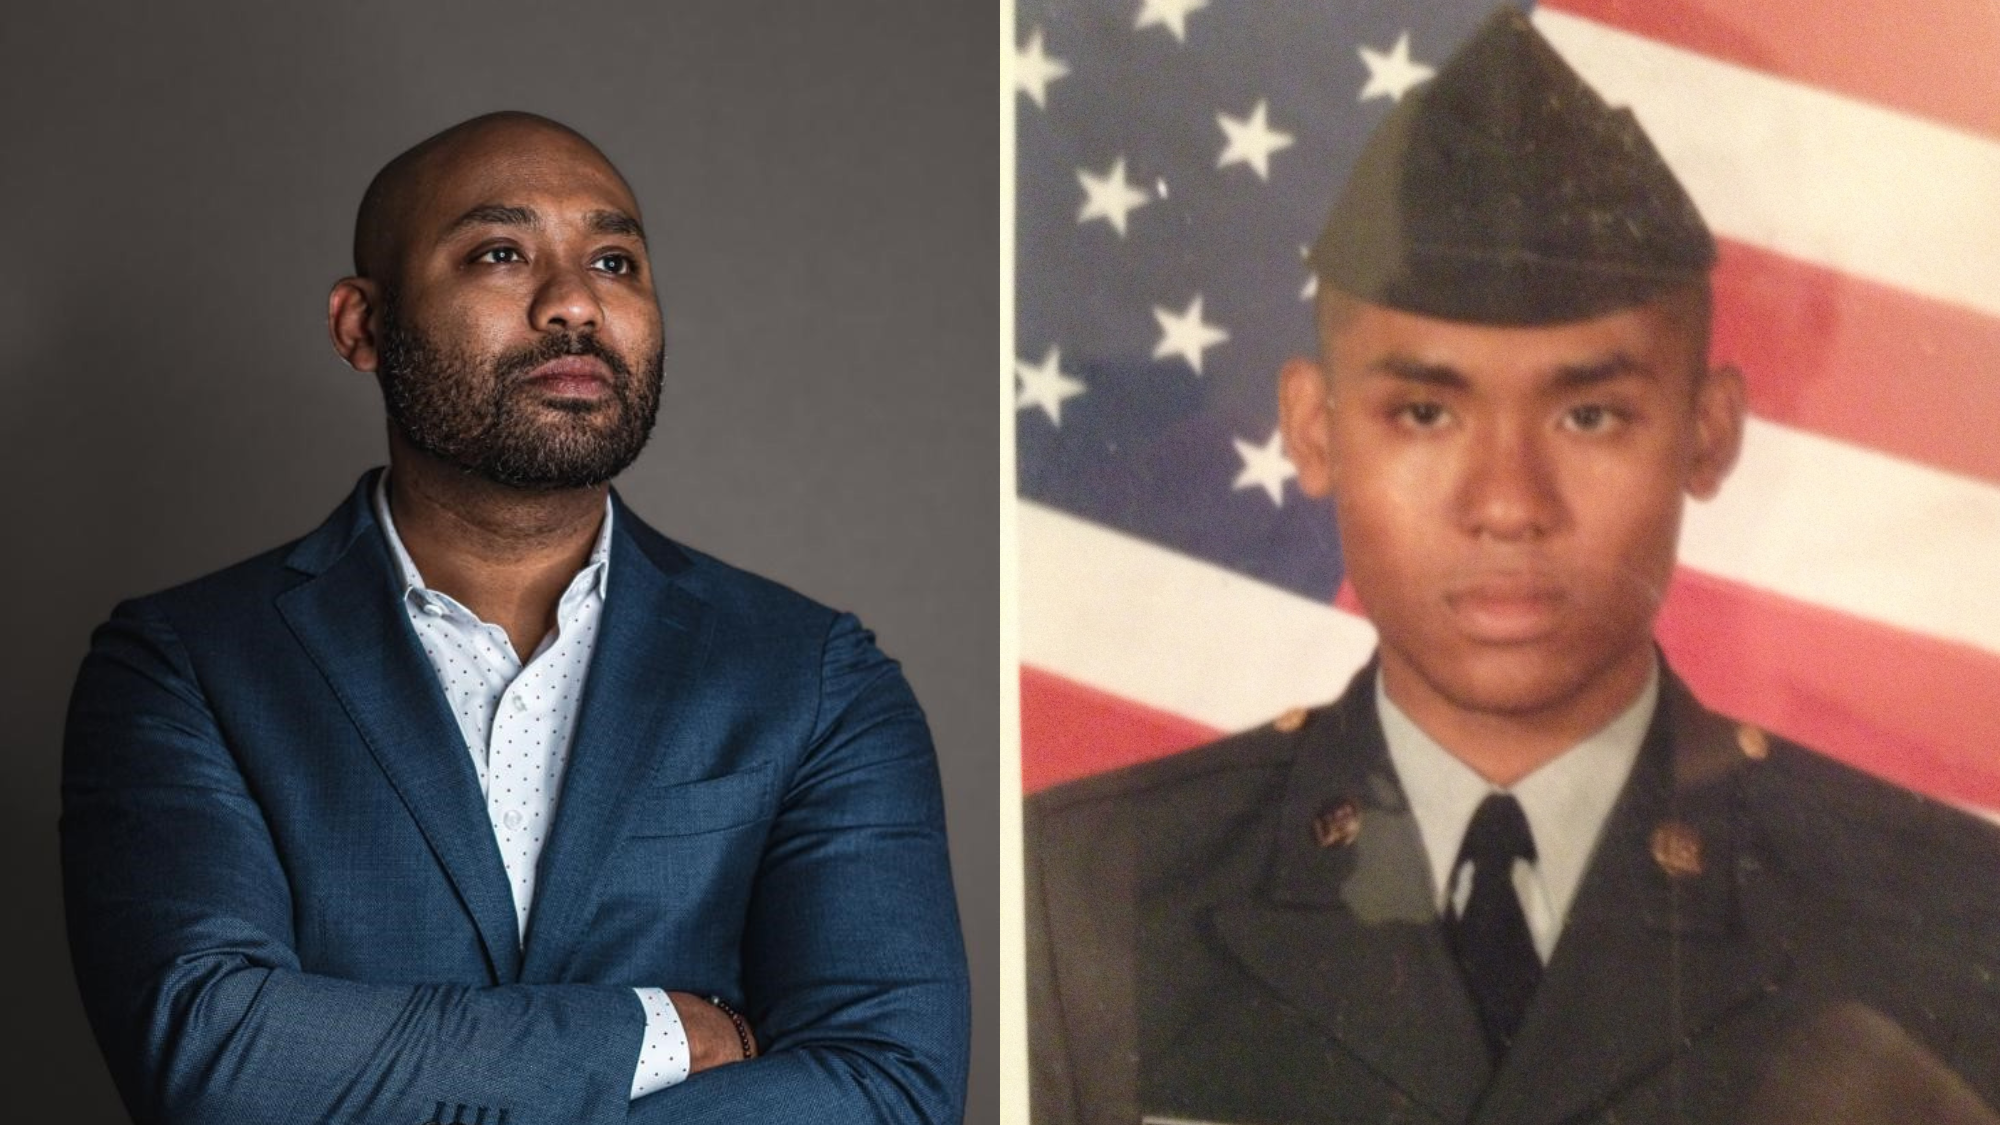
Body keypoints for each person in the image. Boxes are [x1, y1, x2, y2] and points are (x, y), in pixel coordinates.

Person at [1024, 10, 2000, 1124]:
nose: (1506, 504)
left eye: (1588, 414)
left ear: (1706, 432)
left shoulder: (1945, 914)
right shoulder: (1079, 893)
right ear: (1312, 428)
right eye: (1425, 411)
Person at [62, 111, 968, 1125]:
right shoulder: (185, 665)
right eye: (500, 253)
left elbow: (886, 1090)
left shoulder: (814, 676)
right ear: (361, 325)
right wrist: (659, 1032)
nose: (575, 303)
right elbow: (213, 1054)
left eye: (616, 261)